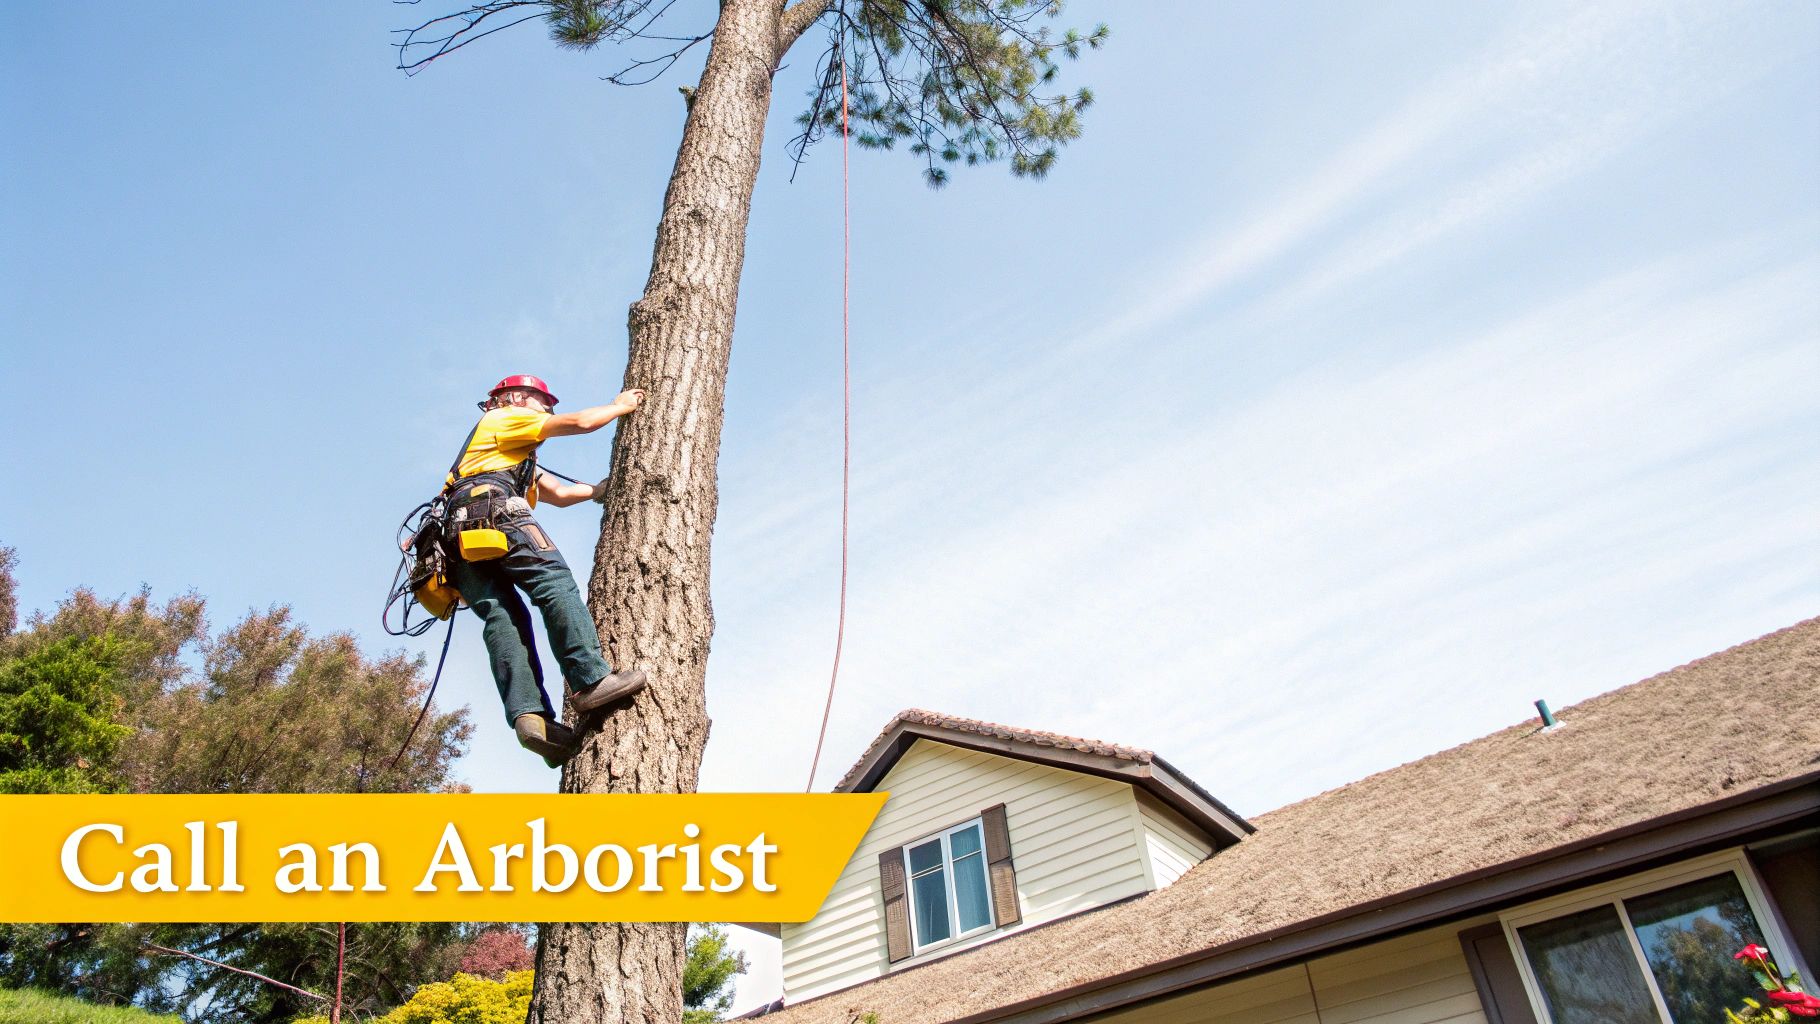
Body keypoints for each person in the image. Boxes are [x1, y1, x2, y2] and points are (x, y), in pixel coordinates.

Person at [443, 374, 648, 766]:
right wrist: (620, 406)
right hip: (492, 511)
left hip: (455, 536)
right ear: (514, 396)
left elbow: (559, 494)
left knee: (503, 618)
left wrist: (599, 490)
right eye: (543, 402)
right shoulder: (505, 417)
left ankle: (531, 718)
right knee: (553, 582)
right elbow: (579, 423)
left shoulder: (502, 455)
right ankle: (591, 679)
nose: (547, 410)